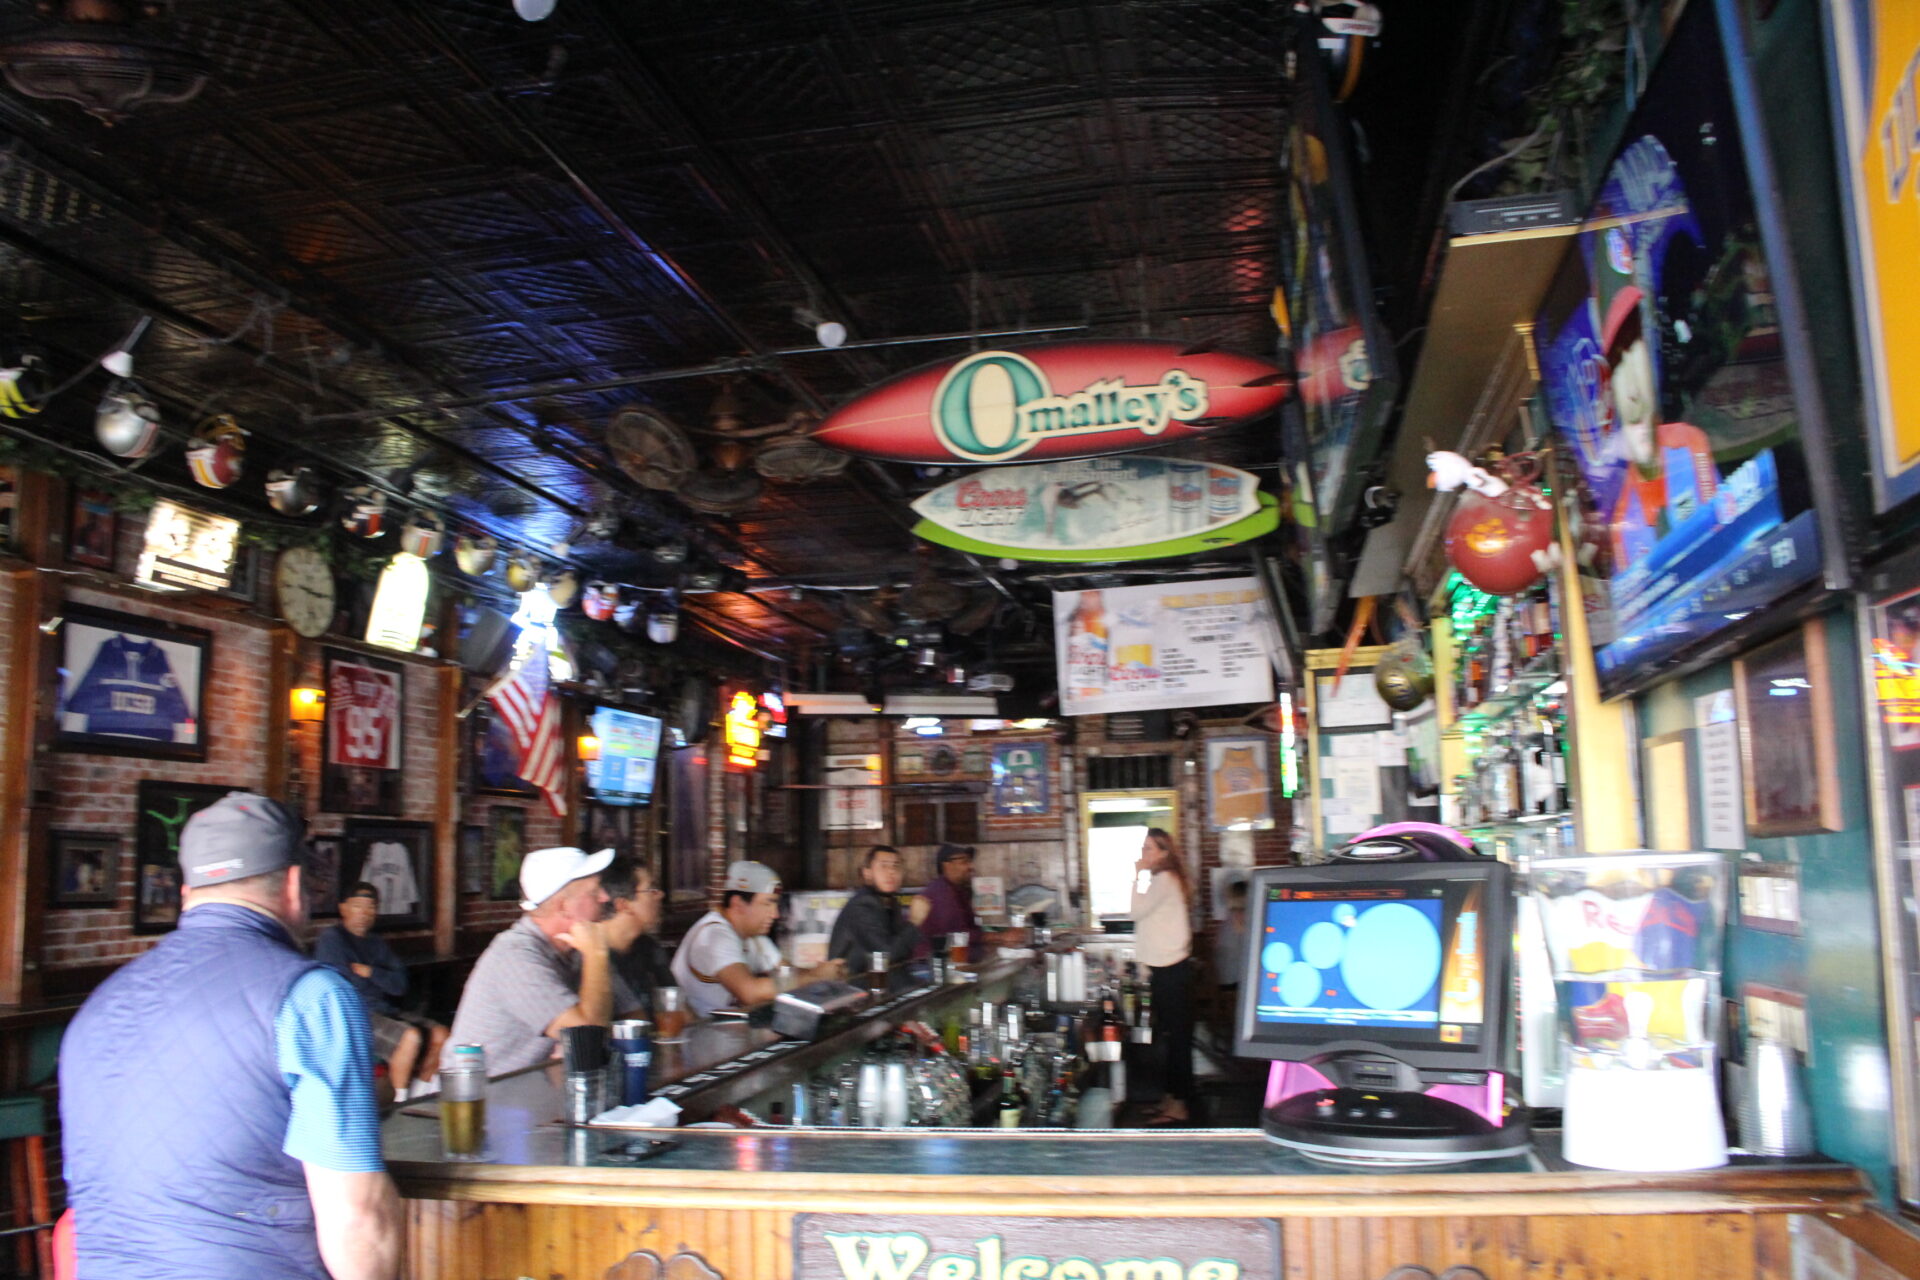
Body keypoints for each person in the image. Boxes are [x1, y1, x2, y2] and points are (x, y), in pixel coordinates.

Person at [60, 792, 401, 1280]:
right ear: (293, 885)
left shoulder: (98, 1007)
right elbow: (357, 1225)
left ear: (186, 892)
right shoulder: (311, 997)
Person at [443, 846, 643, 1075]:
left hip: (536, 1087)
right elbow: (587, 1036)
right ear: (563, 906)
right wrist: (596, 955)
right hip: (479, 1093)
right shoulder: (515, 956)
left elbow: (633, 1017)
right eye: (594, 891)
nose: (605, 897)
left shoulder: (580, 947)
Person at [315, 882, 449, 1095]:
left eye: (370, 907)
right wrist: (380, 978)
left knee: (441, 1034)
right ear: (343, 908)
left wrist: (370, 972)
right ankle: (400, 1105)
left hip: (384, 1010)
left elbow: (400, 986)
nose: (364, 913)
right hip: (354, 1015)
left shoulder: (376, 943)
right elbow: (344, 986)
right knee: (410, 1037)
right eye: (357, 906)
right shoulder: (332, 939)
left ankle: (419, 1095)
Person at [671, 861, 846, 1018]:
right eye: (767, 903)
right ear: (738, 904)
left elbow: (787, 973)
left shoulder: (754, 937)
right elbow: (750, 992)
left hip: (732, 1031)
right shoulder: (714, 936)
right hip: (700, 1036)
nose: (775, 914)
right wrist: (815, 977)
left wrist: (823, 972)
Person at [1134, 826, 1195, 1125]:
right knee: (1173, 1038)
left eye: (1148, 848)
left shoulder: (1164, 880)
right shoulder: (1166, 879)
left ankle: (1179, 1105)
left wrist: (1136, 876)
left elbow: (1135, 912)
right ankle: (1171, 1099)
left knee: (1177, 1039)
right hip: (1169, 968)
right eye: (1143, 847)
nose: (1143, 853)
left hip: (1171, 970)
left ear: (1163, 852)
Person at [828, 845, 932, 972]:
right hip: (856, 980)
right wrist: (914, 921)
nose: (891, 871)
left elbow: (901, 952)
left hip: (883, 977)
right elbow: (886, 956)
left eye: (896, 866)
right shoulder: (862, 905)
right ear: (867, 873)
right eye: (884, 866)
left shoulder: (891, 902)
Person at [914, 843, 1020, 962]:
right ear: (947, 865)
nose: (970, 867)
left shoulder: (957, 890)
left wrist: (998, 938)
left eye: (970, 861)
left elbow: (972, 929)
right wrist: (1001, 937)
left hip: (953, 958)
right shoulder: (941, 892)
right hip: (931, 964)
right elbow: (958, 934)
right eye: (964, 862)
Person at [600, 859, 670, 1012]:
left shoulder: (649, 947)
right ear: (623, 905)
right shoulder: (592, 956)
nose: (660, 895)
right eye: (651, 889)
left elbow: (678, 1008)